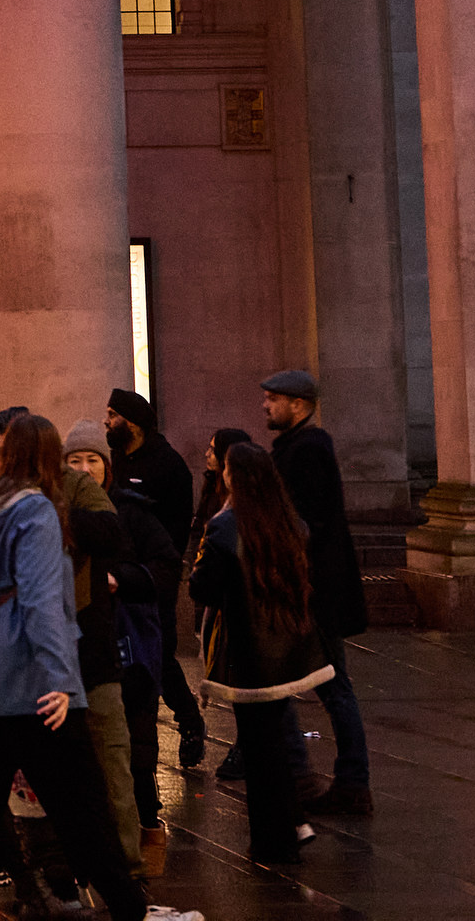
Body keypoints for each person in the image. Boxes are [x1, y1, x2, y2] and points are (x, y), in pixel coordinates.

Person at [0, 411, 152, 921]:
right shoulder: (38, 512)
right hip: (32, 689)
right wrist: (63, 681)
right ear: (45, 456)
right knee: (82, 809)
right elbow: (43, 605)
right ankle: (131, 908)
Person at [186, 438, 335, 869]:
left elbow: (203, 587)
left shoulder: (226, 526)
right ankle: (289, 828)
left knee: (259, 750)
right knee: (273, 745)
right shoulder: (289, 520)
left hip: (249, 654)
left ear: (235, 477)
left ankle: (271, 842)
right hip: (288, 647)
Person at [255, 370, 371, 810]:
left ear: (298, 405)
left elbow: (308, 524)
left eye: (273, 399)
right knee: (308, 684)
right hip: (307, 589)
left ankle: (349, 782)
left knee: (331, 686)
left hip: (314, 592)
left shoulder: (307, 451)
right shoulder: (295, 448)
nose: (265, 406)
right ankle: (320, 777)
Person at [45, 442, 161, 880]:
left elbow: (110, 535)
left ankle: (126, 867)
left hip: (92, 652)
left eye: (92, 459)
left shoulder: (78, 493)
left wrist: (55, 514)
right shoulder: (0, 496)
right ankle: (55, 867)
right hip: (40, 659)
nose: (83, 467)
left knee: (114, 758)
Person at [97, 393, 204, 774]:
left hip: (153, 579)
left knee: (158, 656)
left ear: (133, 422)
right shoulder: (118, 460)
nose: (106, 421)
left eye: (112, 415)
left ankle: (189, 720)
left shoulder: (168, 465)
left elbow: (175, 529)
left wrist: (158, 570)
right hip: (120, 581)